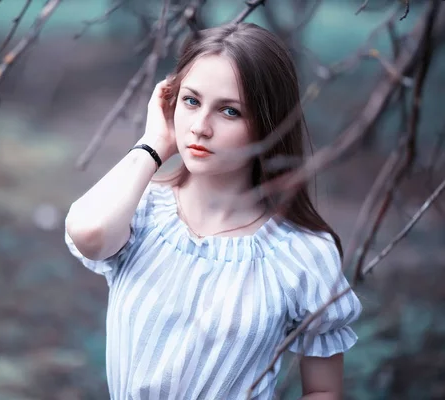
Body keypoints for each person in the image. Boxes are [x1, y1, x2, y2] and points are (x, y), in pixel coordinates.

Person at [65, 22, 362, 400]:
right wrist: (154, 143)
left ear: (268, 122)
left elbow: (323, 391)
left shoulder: (302, 253)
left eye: (229, 111)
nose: (200, 128)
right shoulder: (140, 211)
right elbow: (89, 235)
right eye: (191, 101)